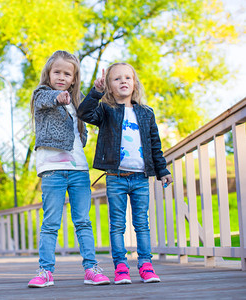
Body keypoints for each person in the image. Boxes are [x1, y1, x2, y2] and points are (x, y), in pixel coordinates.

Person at [77, 62, 173, 284]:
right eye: (117, 79)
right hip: (115, 178)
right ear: (110, 86)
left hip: (141, 178)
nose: (123, 81)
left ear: (134, 83)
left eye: (127, 78)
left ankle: (146, 265)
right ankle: (121, 267)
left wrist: (162, 171)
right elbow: (84, 112)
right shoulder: (106, 111)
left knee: (142, 223)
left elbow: (155, 145)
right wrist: (96, 92)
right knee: (117, 224)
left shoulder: (146, 113)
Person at [28, 50, 110, 288]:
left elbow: (90, 109)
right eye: (57, 72)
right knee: (51, 222)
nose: (61, 77)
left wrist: (97, 92)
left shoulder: (77, 100)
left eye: (67, 73)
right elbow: (46, 100)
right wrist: (57, 98)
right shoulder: (42, 93)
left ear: (74, 78)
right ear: (49, 74)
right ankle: (45, 271)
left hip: (79, 169)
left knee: (83, 221)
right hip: (52, 169)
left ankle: (91, 269)